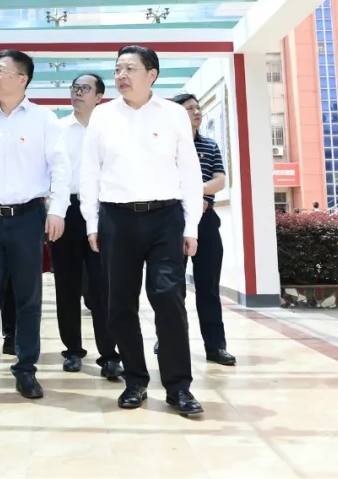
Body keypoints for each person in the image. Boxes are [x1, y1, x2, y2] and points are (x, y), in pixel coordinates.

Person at [79, 45, 204, 415]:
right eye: (118, 69)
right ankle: (135, 381)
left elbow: (190, 170)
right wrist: (91, 222)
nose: (121, 76)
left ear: (152, 74)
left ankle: (179, 387)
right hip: (116, 219)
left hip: (166, 217)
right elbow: (89, 171)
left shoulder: (173, 114)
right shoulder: (103, 116)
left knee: (168, 298)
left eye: (130, 69)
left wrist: (191, 225)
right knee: (119, 303)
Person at [0, 49, 69, 403]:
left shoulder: (45, 120)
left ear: (22, 79)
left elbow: (60, 168)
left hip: (28, 218)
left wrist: (58, 211)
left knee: (27, 296)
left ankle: (26, 369)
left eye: (0, 70)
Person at [152, 93, 235, 366]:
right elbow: (163, 180)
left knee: (208, 286)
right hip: (173, 221)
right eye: (190, 108)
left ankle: (216, 346)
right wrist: (191, 195)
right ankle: (167, 338)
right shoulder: (165, 146)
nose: (197, 112)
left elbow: (220, 180)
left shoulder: (210, 145)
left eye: (198, 108)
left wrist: (195, 191)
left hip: (206, 221)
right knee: (171, 287)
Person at [52, 73, 122, 378]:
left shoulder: (109, 128)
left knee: (103, 285)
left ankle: (109, 355)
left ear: (99, 97)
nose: (77, 93)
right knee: (66, 284)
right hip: (65, 212)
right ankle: (72, 350)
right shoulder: (57, 129)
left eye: (85, 89)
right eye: (74, 87)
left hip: (101, 212)